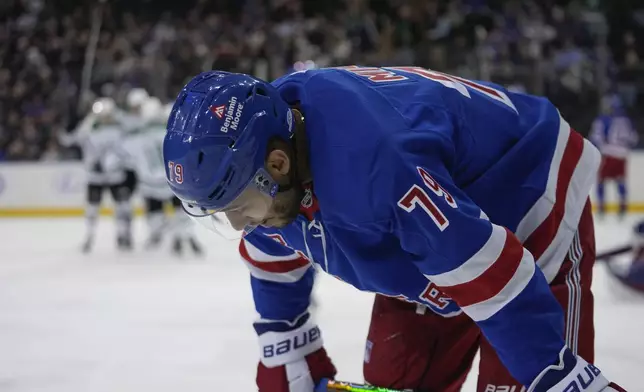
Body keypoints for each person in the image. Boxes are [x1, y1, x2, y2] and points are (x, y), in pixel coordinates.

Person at [163, 67, 626, 392]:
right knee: (396, 376)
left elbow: (492, 277)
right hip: (434, 236)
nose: (239, 224)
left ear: (278, 163)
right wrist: (285, 336)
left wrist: (554, 372)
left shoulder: (376, 167)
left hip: (527, 196)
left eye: (238, 207)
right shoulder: (268, 147)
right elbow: (274, 247)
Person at [121, 98, 203, 255]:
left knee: (155, 216)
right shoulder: (173, 134)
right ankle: (184, 236)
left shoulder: (136, 138)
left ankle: (166, 235)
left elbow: (124, 158)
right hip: (172, 182)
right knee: (182, 213)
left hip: (149, 184)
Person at [60, 97, 134, 252]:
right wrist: (69, 124)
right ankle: (89, 236)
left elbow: (130, 138)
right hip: (95, 176)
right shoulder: (88, 128)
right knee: (92, 209)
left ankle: (123, 235)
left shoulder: (120, 128)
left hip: (115, 174)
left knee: (122, 207)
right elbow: (69, 140)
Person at [589, 95, 638, 218]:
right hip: (622, 155)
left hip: (608, 154)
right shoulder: (626, 120)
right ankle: (622, 206)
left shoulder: (603, 119)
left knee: (601, 181)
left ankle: (601, 207)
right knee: (620, 180)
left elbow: (596, 137)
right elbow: (633, 138)